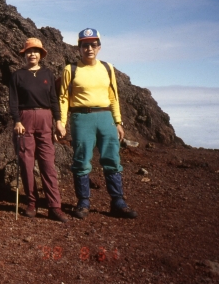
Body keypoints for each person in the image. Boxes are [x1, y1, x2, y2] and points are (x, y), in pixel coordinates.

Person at [58, 28, 137, 219]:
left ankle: (118, 202)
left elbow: (113, 96)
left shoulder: (108, 68)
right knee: (81, 160)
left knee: (112, 159)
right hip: (81, 117)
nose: (89, 49)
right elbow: (63, 98)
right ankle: (83, 202)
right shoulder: (71, 69)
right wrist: (61, 122)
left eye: (93, 45)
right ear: (79, 48)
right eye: (85, 45)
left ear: (99, 47)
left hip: (105, 117)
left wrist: (118, 121)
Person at [9, 38, 68, 223]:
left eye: (36, 51)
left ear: (41, 54)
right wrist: (17, 121)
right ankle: (31, 202)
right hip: (25, 119)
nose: (32, 54)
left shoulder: (47, 74)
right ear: (24, 54)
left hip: (45, 119)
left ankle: (54, 206)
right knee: (26, 163)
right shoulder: (17, 75)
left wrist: (58, 121)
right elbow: (13, 101)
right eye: (29, 51)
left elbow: (53, 99)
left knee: (48, 163)